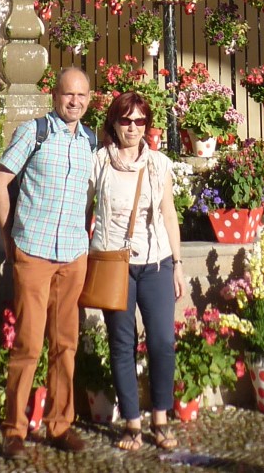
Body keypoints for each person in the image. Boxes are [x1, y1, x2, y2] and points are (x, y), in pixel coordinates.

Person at [0, 68, 96, 459]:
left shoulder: (90, 141)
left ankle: (59, 425)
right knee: (29, 344)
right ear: (55, 96)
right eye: (69, 94)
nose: (75, 102)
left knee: (65, 344)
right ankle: (14, 429)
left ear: (89, 99)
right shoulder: (33, 133)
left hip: (73, 255)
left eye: (82, 96)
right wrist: (8, 237)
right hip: (33, 253)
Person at [90, 90, 184, 451]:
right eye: (126, 120)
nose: (132, 127)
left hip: (156, 262)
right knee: (122, 343)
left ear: (147, 124)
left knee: (162, 341)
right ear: (114, 123)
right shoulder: (99, 162)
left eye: (139, 120)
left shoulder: (159, 164)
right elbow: (85, 210)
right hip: (115, 265)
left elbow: (168, 213)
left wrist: (176, 263)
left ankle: (160, 418)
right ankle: (132, 423)